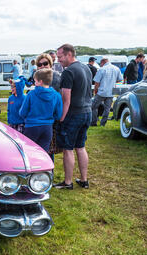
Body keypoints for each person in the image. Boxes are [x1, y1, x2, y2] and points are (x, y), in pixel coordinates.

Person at [54, 44, 93, 190]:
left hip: (73, 114)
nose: (58, 60)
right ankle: (84, 180)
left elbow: (66, 99)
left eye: (60, 57)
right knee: (81, 147)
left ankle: (68, 182)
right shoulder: (86, 68)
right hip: (87, 112)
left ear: (69, 54)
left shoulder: (68, 72)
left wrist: (62, 117)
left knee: (68, 149)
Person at [19, 69, 63, 153]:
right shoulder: (57, 95)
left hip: (31, 127)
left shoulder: (31, 94)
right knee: (43, 153)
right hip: (47, 128)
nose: (34, 83)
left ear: (40, 82)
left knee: (29, 152)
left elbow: (22, 112)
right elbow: (58, 115)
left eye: (35, 81)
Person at [91, 57, 123, 127]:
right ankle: (103, 124)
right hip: (111, 92)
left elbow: (97, 82)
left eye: (101, 63)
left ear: (103, 62)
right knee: (107, 109)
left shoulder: (101, 69)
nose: (100, 65)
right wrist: (112, 81)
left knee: (94, 107)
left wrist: (95, 91)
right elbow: (120, 79)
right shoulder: (116, 68)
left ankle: (94, 122)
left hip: (101, 92)